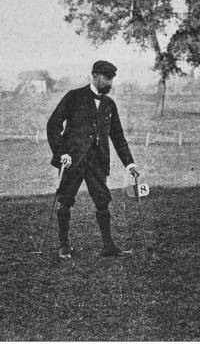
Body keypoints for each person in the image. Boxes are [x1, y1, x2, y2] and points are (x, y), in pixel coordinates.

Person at [47, 60, 139, 259]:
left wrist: (129, 163)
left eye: (112, 79)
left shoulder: (109, 104)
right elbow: (53, 125)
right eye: (107, 79)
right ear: (95, 76)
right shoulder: (74, 97)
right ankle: (63, 245)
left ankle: (108, 247)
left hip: (97, 163)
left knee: (102, 201)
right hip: (72, 160)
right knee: (65, 201)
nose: (110, 83)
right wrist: (62, 152)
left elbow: (118, 136)